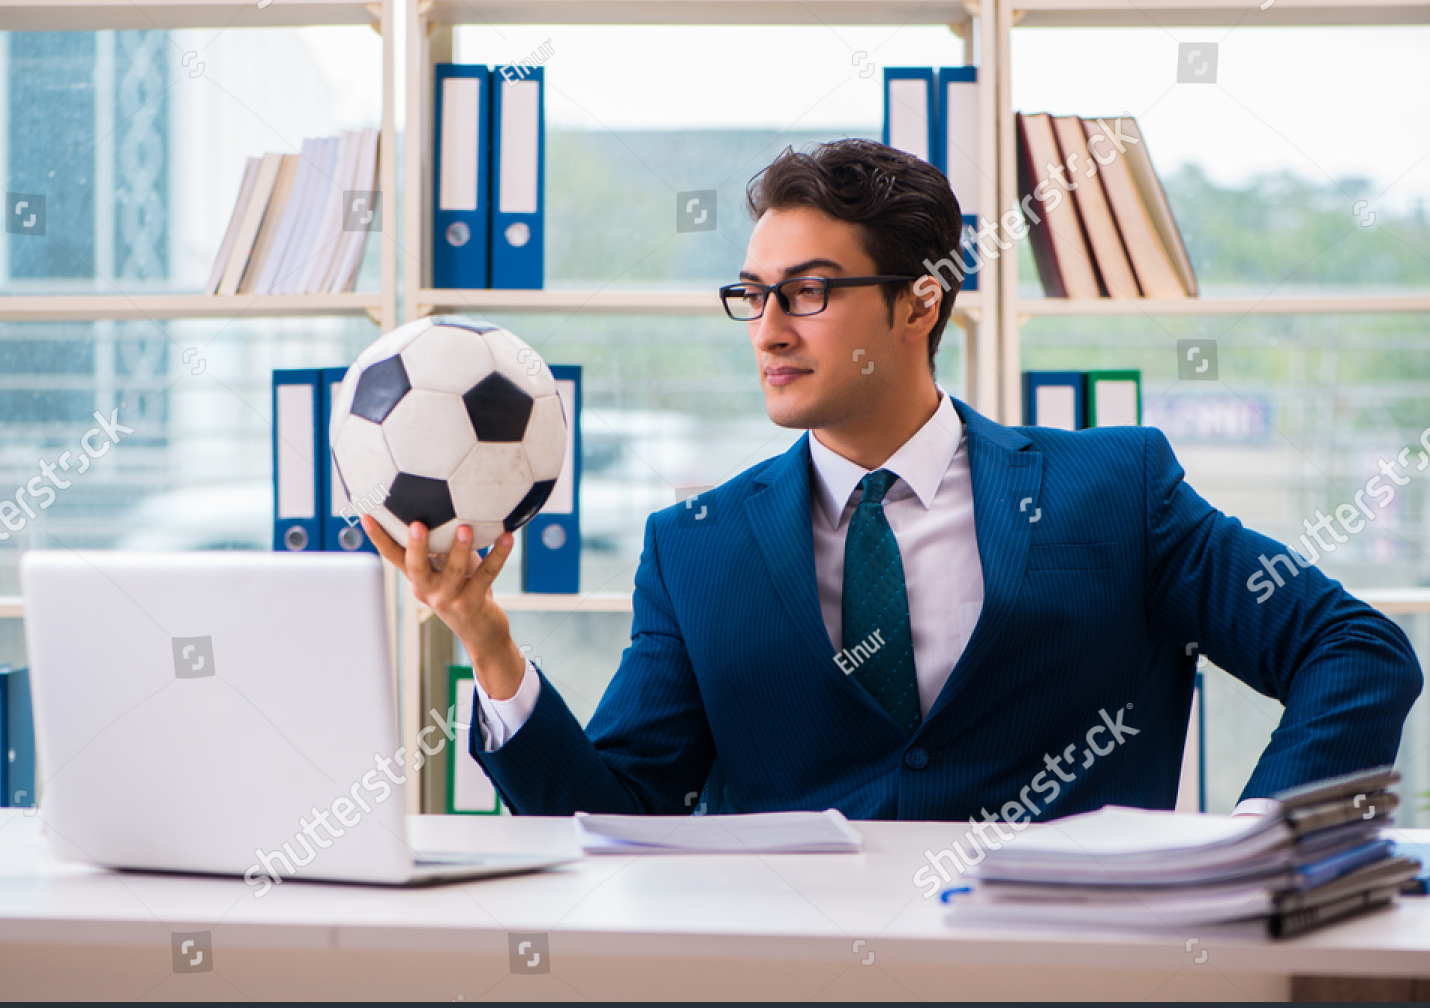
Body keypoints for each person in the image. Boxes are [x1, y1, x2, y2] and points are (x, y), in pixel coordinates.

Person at [364, 138, 1421, 822]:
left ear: (920, 303)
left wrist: (1254, 852)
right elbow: (614, 813)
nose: (768, 331)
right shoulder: (696, 546)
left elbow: (1357, 649)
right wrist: (487, 644)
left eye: (808, 294)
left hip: (1069, 996)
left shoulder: (1115, 487)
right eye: (752, 296)